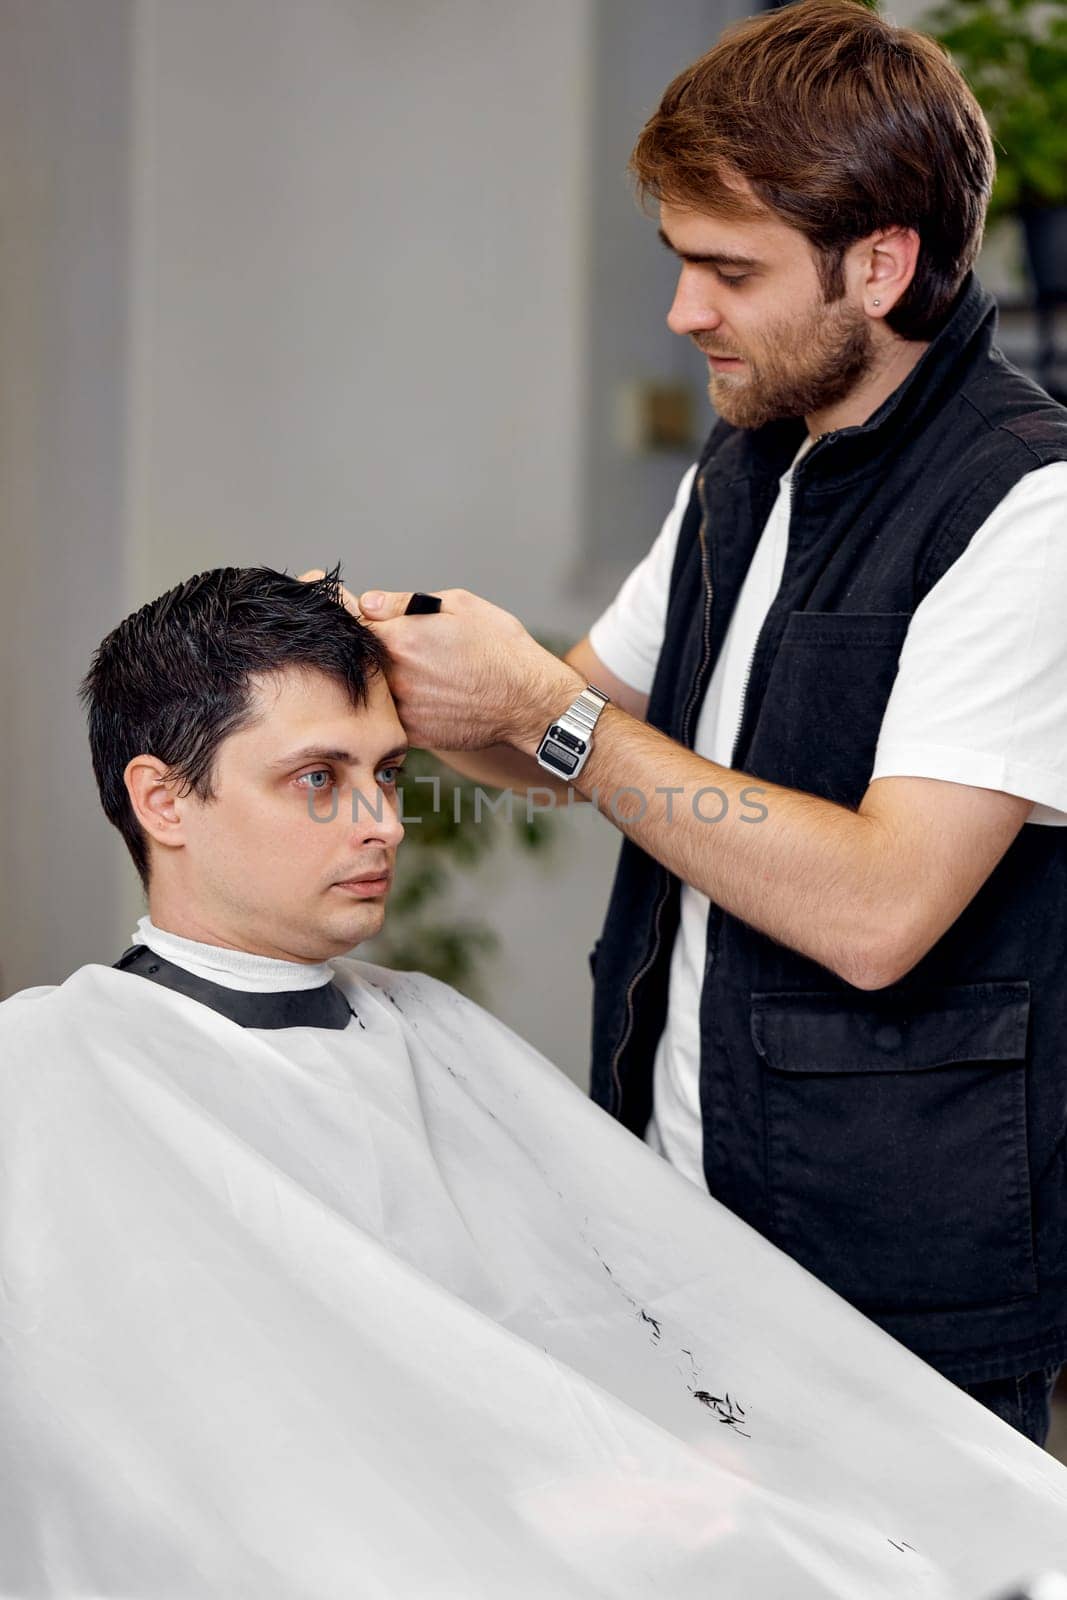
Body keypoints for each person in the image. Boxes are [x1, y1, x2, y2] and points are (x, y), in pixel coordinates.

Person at [5, 563, 1067, 1596]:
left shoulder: (423, 1028)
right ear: (164, 799)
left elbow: (598, 1332)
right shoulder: (50, 1074)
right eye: (319, 778)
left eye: (386, 773)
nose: (382, 823)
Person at [348, 0, 1067, 1447]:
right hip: (680, 1214)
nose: (682, 313)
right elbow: (562, 742)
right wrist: (378, 682)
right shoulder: (744, 467)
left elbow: (879, 908)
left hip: (902, 1290)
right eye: (678, 261)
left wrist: (552, 717)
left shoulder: (1030, 510)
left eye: (723, 271)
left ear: (877, 266)